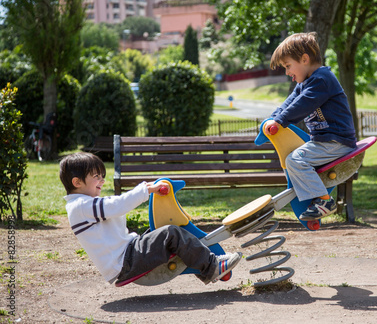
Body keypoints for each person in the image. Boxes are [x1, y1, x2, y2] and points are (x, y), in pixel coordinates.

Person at [59, 152, 242, 285]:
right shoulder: (80, 206)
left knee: (162, 231)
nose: (102, 181)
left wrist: (146, 188)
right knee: (171, 233)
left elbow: (114, 206)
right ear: (77, 182)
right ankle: (213, 267)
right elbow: (117, 205)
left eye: (102, 176)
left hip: (127, 255)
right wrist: (146, 190)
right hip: (126, 262)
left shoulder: (84, 205)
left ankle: (205, 269)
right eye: (96, 177)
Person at [264, 32, 357, 221]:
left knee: (296, 160)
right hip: (326, 141)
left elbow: (303, 104)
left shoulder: (322, 79)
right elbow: (289, 103)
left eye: (288, 66)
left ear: (304, 59)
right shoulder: (305, 83)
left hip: (336, 141)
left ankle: (324, 201)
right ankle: (314, 196)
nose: (287, 72)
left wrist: (280, 121)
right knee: (294, 159)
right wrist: (273, 118)